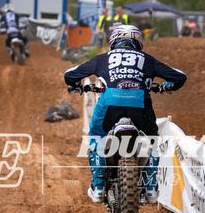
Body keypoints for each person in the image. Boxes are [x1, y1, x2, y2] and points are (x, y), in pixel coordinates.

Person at [64, 24, 187, 203]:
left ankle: (99, 185)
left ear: (113, 42)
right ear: (138, 42)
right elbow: (180, 77)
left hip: (110, 102)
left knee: (97, 136)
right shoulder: (148, 60)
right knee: (152, 140)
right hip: (140, 104)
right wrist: (166, 87)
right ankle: (150, 186)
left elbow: (70, 75)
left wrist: (77, 85)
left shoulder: (102, 59)